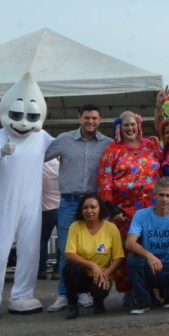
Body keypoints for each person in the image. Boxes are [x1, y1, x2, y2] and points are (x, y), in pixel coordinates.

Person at [0, 72, 54, 322]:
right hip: (2, 204)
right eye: (17, 115)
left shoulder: (42, 137)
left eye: (30, 116)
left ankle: (22, 294)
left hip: (31, 202)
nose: (23, 122)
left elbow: (62, 149)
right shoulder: (0, 136)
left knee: (30, 250)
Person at [45, 103, 112, 313]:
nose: (90, 122)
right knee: (67, 251)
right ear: (79, 118)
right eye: (87, 118)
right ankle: (65, 295)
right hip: (69, 202)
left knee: (91, 249)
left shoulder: (107, 144)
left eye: (94, 118)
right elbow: (37, 157)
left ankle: (84, 293)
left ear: (100, 120)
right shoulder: (64, 140)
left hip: (94, 204)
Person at [97, 111, 162, 298]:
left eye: (133, 124)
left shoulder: (151, 146)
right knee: (127, 252)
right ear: (119, 128)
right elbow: (104, 182)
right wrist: (112, 211)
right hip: (125, 213)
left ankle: (154, 288)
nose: (130, 128)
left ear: (139, 126)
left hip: (152, 210)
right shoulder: (112, 150)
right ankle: (131, 292)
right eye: (126, 125)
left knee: (153, 247)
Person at [124, 178, 169, 314]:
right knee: (132, 259)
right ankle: (144, 302)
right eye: (161, 195)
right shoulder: (141, 214)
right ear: (154, 195)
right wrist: (149, 255)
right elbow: (129, 242)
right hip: (151, 266)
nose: (164, 199)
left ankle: (168, 297)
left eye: (168, 195)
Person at [62, 194, 124, 319]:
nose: (89, 211)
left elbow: (119, 258)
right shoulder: (75, 226)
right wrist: (92, 265)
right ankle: (72, 304)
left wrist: (105, 274)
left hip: (102, 274)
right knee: (69, 268)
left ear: (100, 209)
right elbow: (69, 254)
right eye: (85, 208)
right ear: (81, 210)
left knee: (99, 290)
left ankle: (98, 302)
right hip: (82, 275)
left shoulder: (111, 228)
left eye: (93, 207)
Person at [38, 158, 60, 280]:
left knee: (42, 240)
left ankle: (41, 269)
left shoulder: (42, 165)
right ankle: (58, 271)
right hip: (62, 207)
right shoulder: (62, 166)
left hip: (45, 208)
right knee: (63, 241)